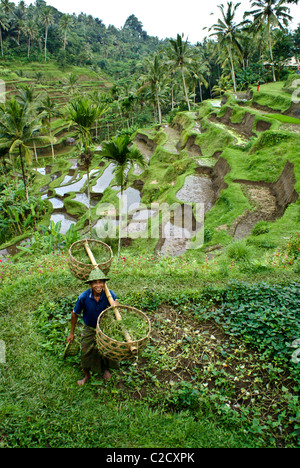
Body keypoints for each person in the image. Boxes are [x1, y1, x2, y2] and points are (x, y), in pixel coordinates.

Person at [67, 269, 119, 386]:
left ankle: (106, 369)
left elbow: (117, 312)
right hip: (90, 328)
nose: (98, 285)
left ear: (104, 283)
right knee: (85, 352)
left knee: (106, 350)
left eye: (101, 282)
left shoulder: (110, 295)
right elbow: (75, 314)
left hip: (105, 327)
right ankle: (87, 375)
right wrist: (71, 333)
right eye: (95, 283)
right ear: (90, 284)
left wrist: (116, 306)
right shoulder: (84, 297)